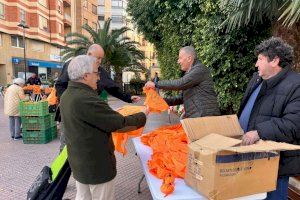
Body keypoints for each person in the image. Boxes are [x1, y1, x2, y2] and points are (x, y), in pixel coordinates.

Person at [60, 55, 147, 200]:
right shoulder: (87, 99)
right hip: (97, 168)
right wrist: (143, 115)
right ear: (86, 76)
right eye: (96, 73)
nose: (99, 78)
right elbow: (119, 124)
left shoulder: (67, 95)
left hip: (80, 165)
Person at [238, 37, 300, 200]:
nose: (256, 64)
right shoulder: (257, 79)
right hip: (249, 158)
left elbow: (293, 124)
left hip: (274, 166)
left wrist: (258, 132)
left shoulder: (296, 85)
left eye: (260, 59)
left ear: (274, 61)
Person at [55, 44, 141, 151]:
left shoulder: (101, 71)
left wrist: (128, 97)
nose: (100, 61)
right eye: (98, 58)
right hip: (71, 113)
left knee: (86, 144)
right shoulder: (73, 65)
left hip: (90, 112)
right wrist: (69, 102)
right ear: (89, 54)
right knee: (67, 145)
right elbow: (59, 85)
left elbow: (112, 87)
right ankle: (65, 167)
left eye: (101, 59)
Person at [145, 46, 220, 118]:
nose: (178, 61)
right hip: (198, 116)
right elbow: (180, 98)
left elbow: (180, 83)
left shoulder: (199, 69)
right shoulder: (190, 73)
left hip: (204, 116)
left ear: (189, 58)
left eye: (180, 58)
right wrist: (159, 101)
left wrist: (156, 84)